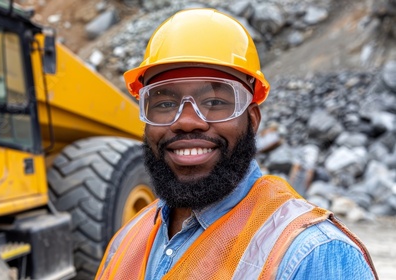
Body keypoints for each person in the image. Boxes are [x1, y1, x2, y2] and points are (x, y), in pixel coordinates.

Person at [95, 8, 378, 280]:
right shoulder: (126, 242)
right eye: (165, 103)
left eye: (215, 102)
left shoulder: (310, 256)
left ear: (252, 119)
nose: (188, 121)